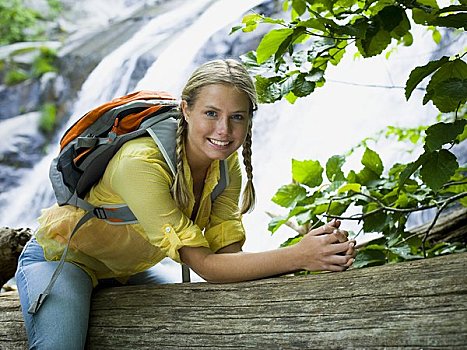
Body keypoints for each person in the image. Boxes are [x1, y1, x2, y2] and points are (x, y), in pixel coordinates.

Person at [15, 59, 356, 349]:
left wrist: (315, 253)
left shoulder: (225, 164)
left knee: (205, 322)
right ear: (186, 109)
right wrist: (298, 254)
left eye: (237, 117)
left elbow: (227, 259)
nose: (224, 130)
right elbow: (204, 265)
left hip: (128, 271)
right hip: (65, 258)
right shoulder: (141, 162)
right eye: (211, 113)